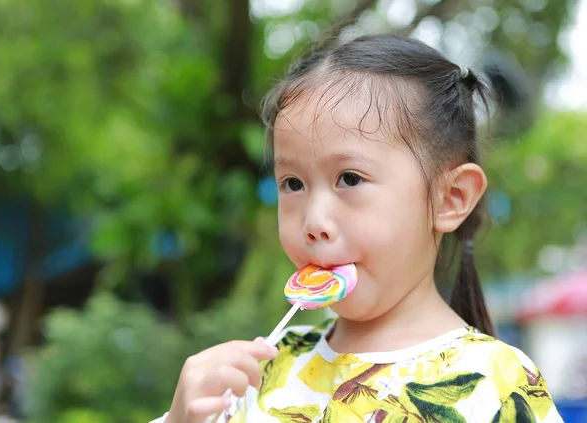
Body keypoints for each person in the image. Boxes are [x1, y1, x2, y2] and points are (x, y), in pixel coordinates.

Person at [152, 34, 563, 423]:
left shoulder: (499, 385)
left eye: (349, 178)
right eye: (292, 184)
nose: (314, 222)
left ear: (450, 198)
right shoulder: (255, 374)